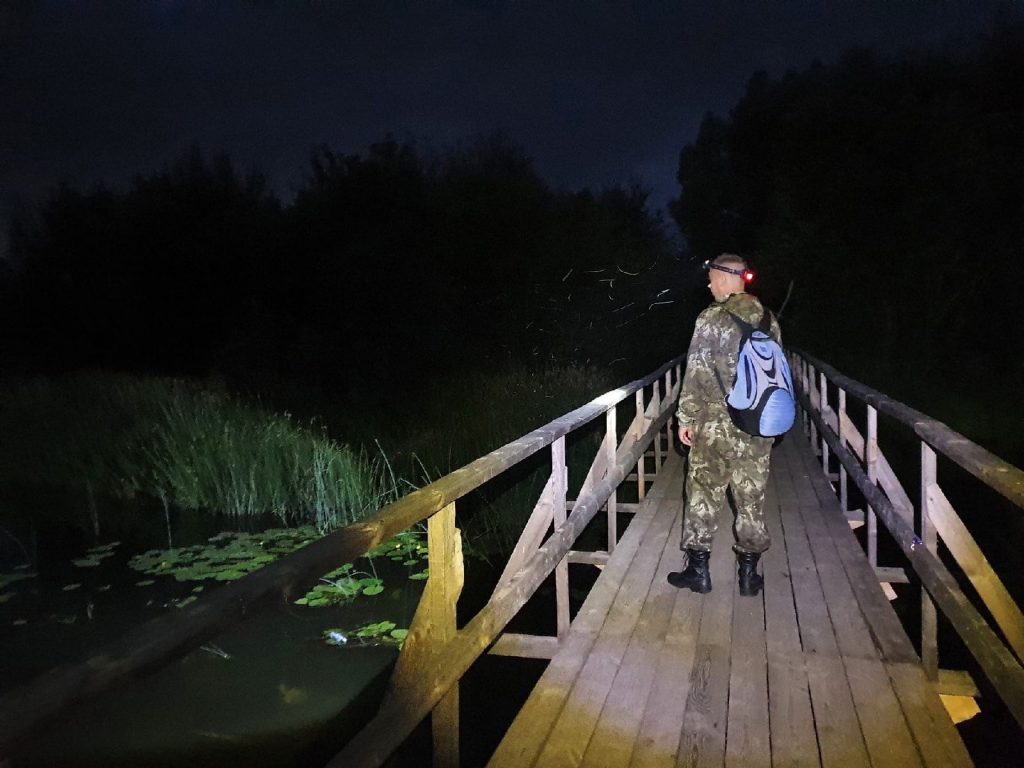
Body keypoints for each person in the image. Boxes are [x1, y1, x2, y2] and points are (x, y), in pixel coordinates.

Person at [667, 253, 780, 596]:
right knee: (751, 497)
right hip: (757, 424)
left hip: (715, 424)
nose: (709, 284)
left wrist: (685, 418)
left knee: (703, 494)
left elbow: (696, 374)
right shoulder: (769, 319)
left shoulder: (710, 318)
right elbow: (777, 375)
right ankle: (749, 576)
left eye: (714, 277)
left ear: (730, 278)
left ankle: (698, 573)